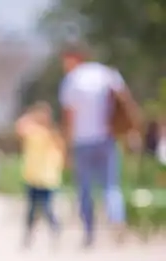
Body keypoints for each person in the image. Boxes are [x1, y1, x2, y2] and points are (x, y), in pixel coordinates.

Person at [58, 43, 137, 247]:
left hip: (82, 141)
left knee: (84, 188)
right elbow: (125, 104)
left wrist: (66, 146)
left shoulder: (72, 80)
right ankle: (116, 220)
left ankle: (89, 232)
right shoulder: (108, 74)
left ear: (73, 58)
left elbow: (69, 116)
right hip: (107, 138)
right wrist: (129, 133)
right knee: (111, 186)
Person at [16, 102, 65, 248]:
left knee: (46, 208)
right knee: (31, 210)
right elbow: (19, 127)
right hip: (33, 177)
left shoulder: (53, 135)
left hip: (48, 179)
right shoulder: (34, 132)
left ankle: (55, 230)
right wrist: (32, 116)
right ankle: (29, 236)